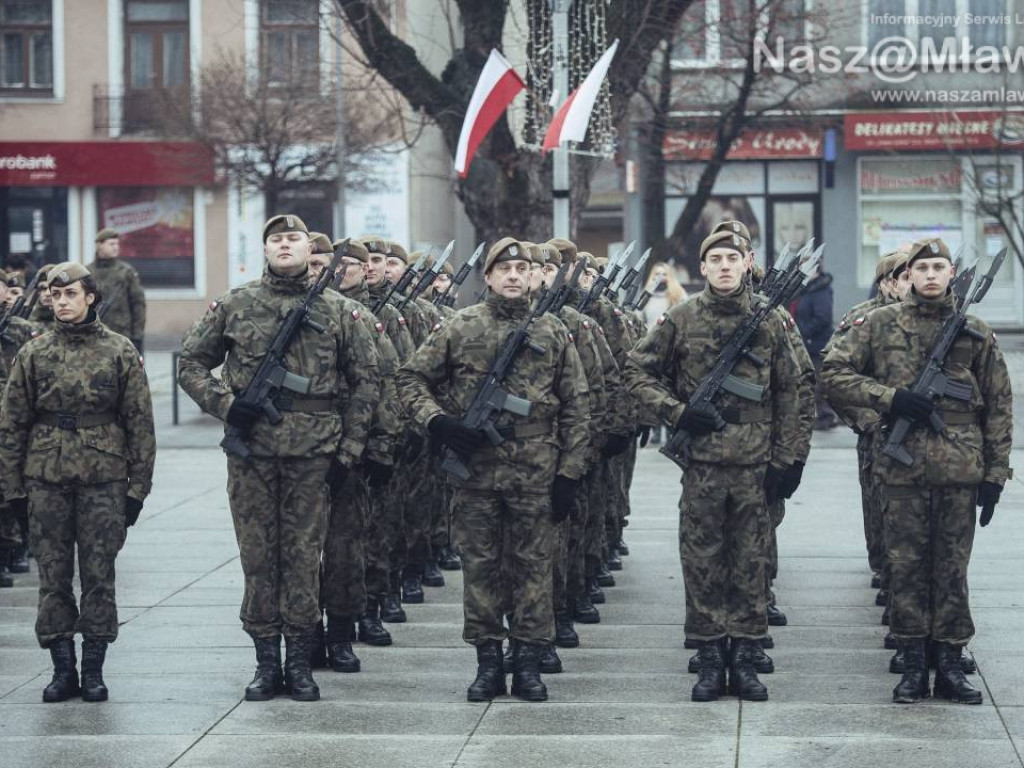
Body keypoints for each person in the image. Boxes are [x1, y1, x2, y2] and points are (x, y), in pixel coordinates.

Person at [177, 215, 381, 702]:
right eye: (276, 239)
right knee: (258, 559)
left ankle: (300, 661)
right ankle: (266, 662)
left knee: (305, 560)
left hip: (315, 454)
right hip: (253, 454)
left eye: (294, 239)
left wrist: (349, 451)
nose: (285, 245)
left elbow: (367, 381)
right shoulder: (236, 303)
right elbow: (189, 362)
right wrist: (228, 405)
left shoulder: (337, 310)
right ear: (265, 249)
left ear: (307, 247)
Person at [396, 236, 590, 703]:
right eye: (503, 268)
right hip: (476, 474)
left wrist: (570, 473)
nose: (513, 275)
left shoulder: (551, 331)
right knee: (481, 569)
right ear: (487, 277)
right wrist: (438, 421)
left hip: (536, 472)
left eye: (522, 268)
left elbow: (579, 406)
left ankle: (527, 663)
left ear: (533, 277)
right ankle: (487, 663)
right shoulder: (460, 326)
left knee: (534, 568)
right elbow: (409, 378)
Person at [822, 237, 1013, 705]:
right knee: (905, 569)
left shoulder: (975, 332)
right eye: (921, 267)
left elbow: (1000, 406)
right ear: (907, 275)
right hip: (900, 469)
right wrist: (889, 398)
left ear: (951, 275)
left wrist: (995, 473)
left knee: (951, 571)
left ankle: (949, 664)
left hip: (959, 469)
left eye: (939, 267)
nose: (930, 275)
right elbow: (831, 372)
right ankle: (911, 667)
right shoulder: (878, 325)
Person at [625, 230, 806, 703]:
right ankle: (709, 658)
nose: (724, 266)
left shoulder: (770, 322)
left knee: (751, 562)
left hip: (756, 465)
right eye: (715, 259)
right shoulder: (680, 319)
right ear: (701, 269)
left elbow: (794, 390)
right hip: (703, 464)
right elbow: (635, 373)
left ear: (748, 263)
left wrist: (789, 459)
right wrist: (677, 411)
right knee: (702, 561)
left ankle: (745, 659)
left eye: (733, 258)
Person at [0, 262, 155, 703]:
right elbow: (11, 426)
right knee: (53, 578)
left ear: (90, 298)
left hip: (103, 481)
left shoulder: (119, 351)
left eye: (71, 294)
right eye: (56, 294)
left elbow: (140, 424)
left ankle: (93, 669)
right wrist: (12, 492)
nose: (62, 302)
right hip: (45, 479)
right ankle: (62, 668)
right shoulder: (34, 352)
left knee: (99, 577)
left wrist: (136, 490)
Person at [87, 228, 146, 354]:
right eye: (111, 244)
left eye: (117, 244)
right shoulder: (88, 272)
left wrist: (137, 335)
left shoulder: (126, 271)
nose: (116, 247)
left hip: (122, 334)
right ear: (99, 245)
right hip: (94, 333)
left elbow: (138, 304)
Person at [794, 263, 837, 430]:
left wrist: (803, 331)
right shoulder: (806, 289)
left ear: (816, 270)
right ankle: (819, 415)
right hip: (807, 343)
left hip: (817, 343)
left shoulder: (820, 290)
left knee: (820, 382)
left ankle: (826, 416)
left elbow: (823, 317)